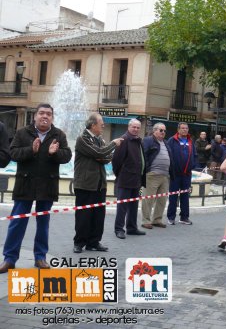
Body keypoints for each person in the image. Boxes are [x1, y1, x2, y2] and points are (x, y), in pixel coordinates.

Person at [0, 103, 72, 272]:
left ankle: (40, 258)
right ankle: (9, 259)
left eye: (48, 114)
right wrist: (30, 150)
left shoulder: (58, 135)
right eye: (41, 113)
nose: (44, 116)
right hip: (25, 184)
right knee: (17, 222)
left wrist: (55, 153)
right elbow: (13, 154)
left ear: (52, 117)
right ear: (35, 116)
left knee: (43, 223)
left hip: (48, 185)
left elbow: (67, 156)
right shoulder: (22, 133)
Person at [73, 113, 122, 253]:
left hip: (100, 185)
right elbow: (101, 153)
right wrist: (113, 144)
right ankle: (79, 242)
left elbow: (107, 157)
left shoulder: (99, 139)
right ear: (93, 125)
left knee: (98, 216)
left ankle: (93, 242)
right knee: (83, 216)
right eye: (101, 124)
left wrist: (101, 154)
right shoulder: (82, 139)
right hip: (85, 184)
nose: (103, 126)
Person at [112, 118, 146, 240]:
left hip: (136, 180)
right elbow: (116, 161)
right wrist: (120, 174)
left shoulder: (138, 141)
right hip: (125, 179)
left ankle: (131, 228)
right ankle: (119, 229)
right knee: (122, 207)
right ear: (128, 127)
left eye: (138, 127)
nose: (136, 129)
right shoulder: (124, 140)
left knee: (133, 206)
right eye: (134, 127)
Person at [141, 122, 173, 229]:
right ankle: (146, 220)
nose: (163, 132)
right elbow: (143, 156)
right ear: (154, 131)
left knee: (162, 200)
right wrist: (146, 170)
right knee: (148, 199)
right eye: (161, 130)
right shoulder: (148, 140)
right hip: (152, 174)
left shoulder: (166, 143)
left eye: (164, 131)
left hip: (164, 176)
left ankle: (157, 220)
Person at [166, 122, 196, 225]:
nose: (185, 130)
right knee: (173, 197)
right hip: (175, 174)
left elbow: (194, 155)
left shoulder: (190, 141)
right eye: (182, 128)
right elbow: (168, 154)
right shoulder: (172, 140)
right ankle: (171, 217)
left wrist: (193, 165)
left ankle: (184, 217)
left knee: (185, 196)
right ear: (178, 130)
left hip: (187, 174)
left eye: (186, 128)